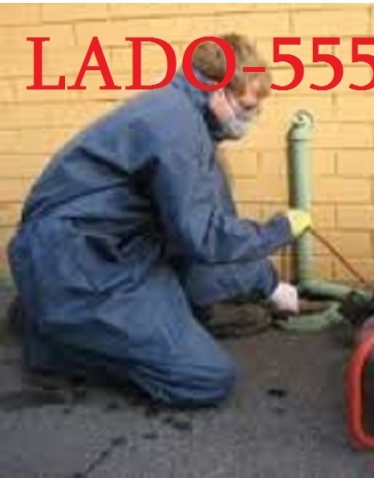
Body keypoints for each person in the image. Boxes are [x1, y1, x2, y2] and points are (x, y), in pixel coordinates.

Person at [6, 33, 312, 407]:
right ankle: (56, 343)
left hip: (109, 249)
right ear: (217, 91)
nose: (252, 118)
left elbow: (206, 236)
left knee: (191, 287)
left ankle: (51, 314)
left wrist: (269, 282)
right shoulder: (177, 131)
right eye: (248, 107)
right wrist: (280, 230)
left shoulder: (185, 117)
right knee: (206, 377)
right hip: (79, 265)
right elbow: (202, 237)